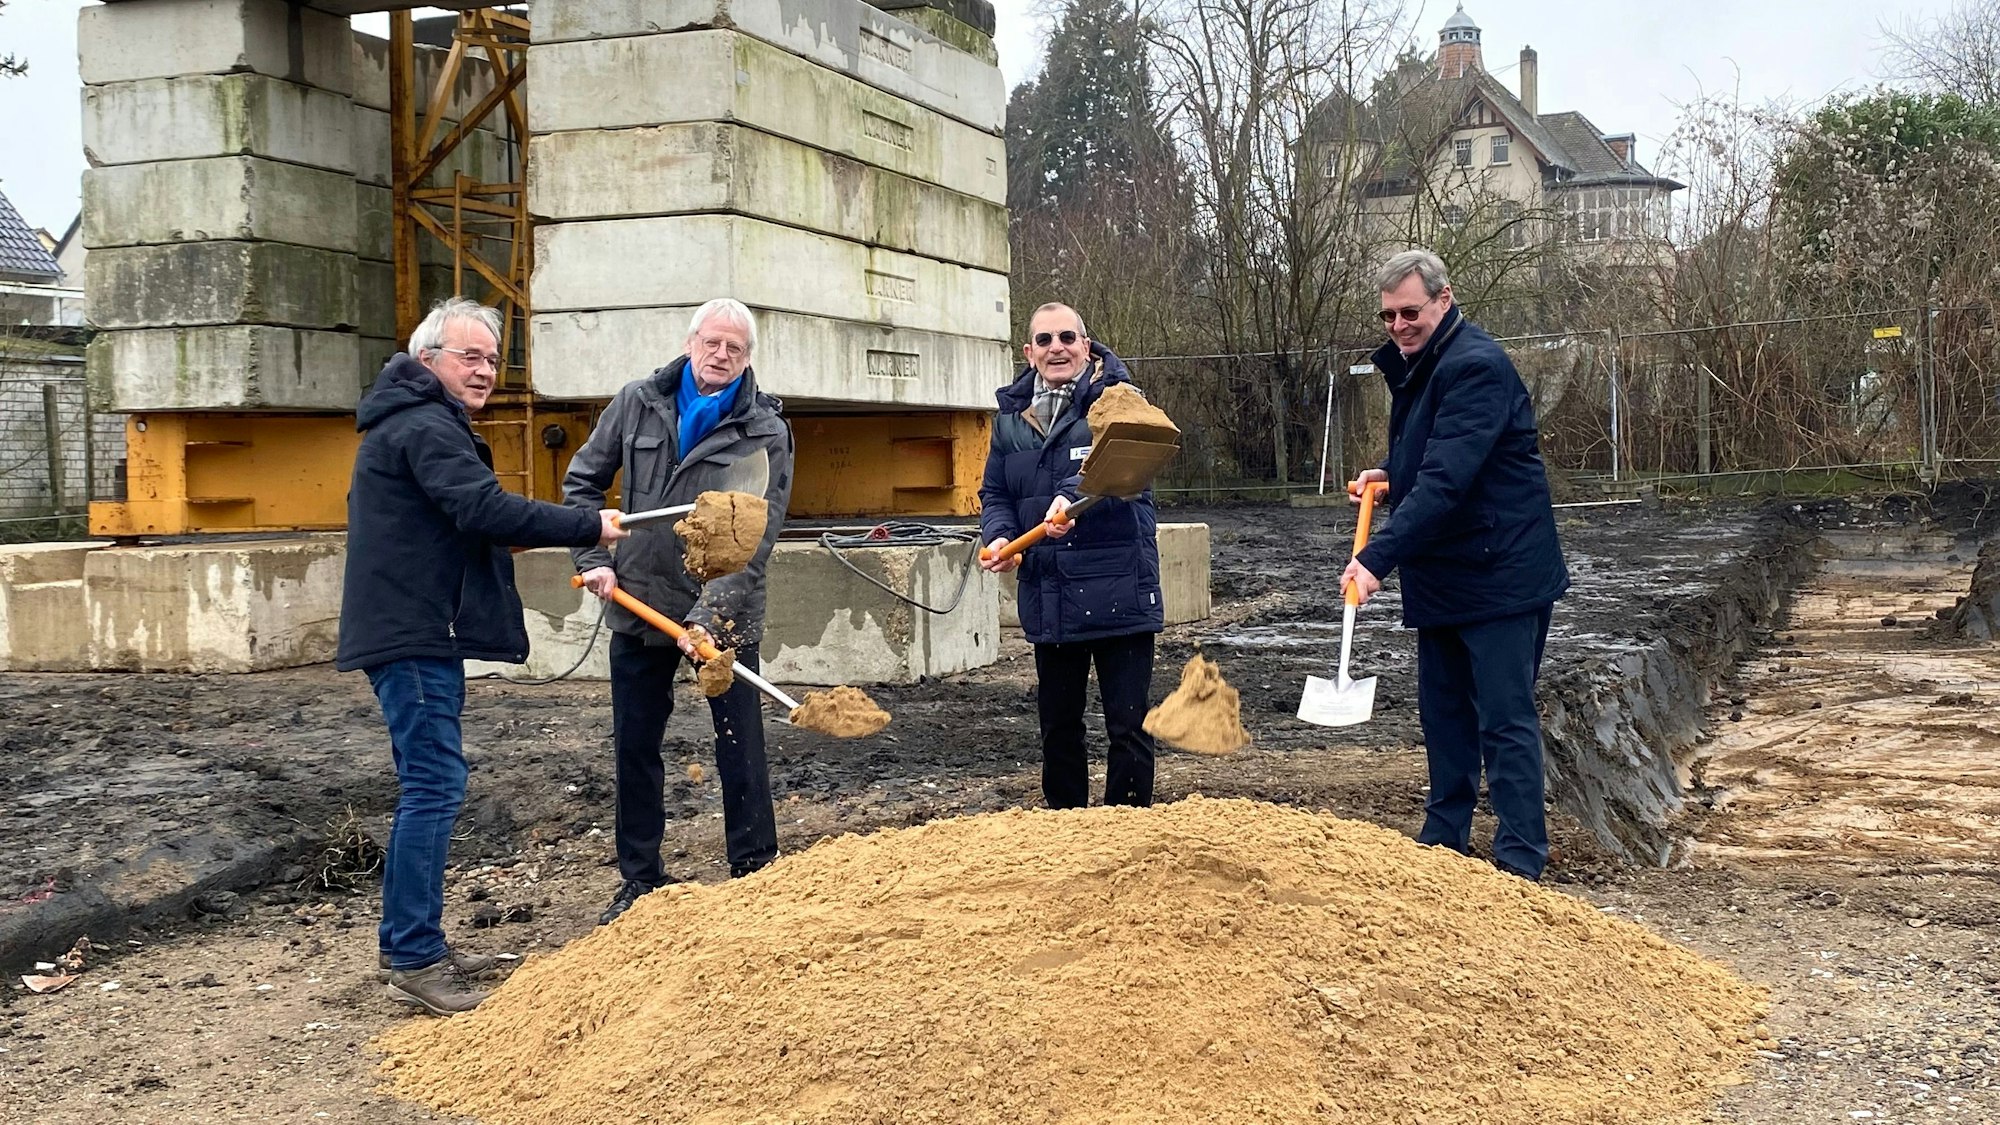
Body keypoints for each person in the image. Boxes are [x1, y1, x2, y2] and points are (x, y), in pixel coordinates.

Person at [336, 297, 628, 1015]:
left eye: (493, 359)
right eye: (470, 356)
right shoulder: (422, 423)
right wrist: (589, 521)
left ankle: (414, 939)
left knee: (431, 780)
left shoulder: (417, 422)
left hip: (418, 628)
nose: (486, 370)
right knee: (434, 784)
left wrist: (528, 531)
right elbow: (481, 509)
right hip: (413, 633)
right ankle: (412, 953)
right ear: (427, 357)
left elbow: (468, 521)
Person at [563, 298, 794, 925]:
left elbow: (756, 538)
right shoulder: (638, 402)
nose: (721, 356)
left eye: (735, 348)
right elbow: (582, 484)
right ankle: (640, 879)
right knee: (635, 744)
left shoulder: (764, 429)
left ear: (748, 357)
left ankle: (754, 871)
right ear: (691, 343)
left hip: (723, 612)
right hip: (638, 603)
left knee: (738, 740)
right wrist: (595, 555)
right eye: (712, 343)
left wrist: (706, 615)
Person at [1341, 249, 1570, 882]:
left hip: (1500, 572)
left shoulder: (1475, 367)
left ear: (1444, 301)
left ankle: (1521, 861)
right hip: (1445, 571)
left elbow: (1448, 481)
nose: (1398, 325)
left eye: (1410, 311)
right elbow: (1429, 460)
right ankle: (1444, 843)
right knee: (1444, 715)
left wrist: (1376, 557)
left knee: (1504, 718)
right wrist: (1390, 476)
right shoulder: (1421, 366)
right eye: (1388, 315)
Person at [978, 302, 1163, 809]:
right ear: (1029, 352)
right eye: (1044, 340)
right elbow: (995, 494)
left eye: (1066, 337)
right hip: (1051, 592)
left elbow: (1128, 476)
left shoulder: (1120, 402)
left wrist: (1070, 495)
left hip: (1118, 589)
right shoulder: (1011, 420)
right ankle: (1066, 835)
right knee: (1058, 728)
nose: (1056, 347)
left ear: (1086, 344)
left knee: (1127, 725)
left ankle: (1128, 835)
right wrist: (998, 537)